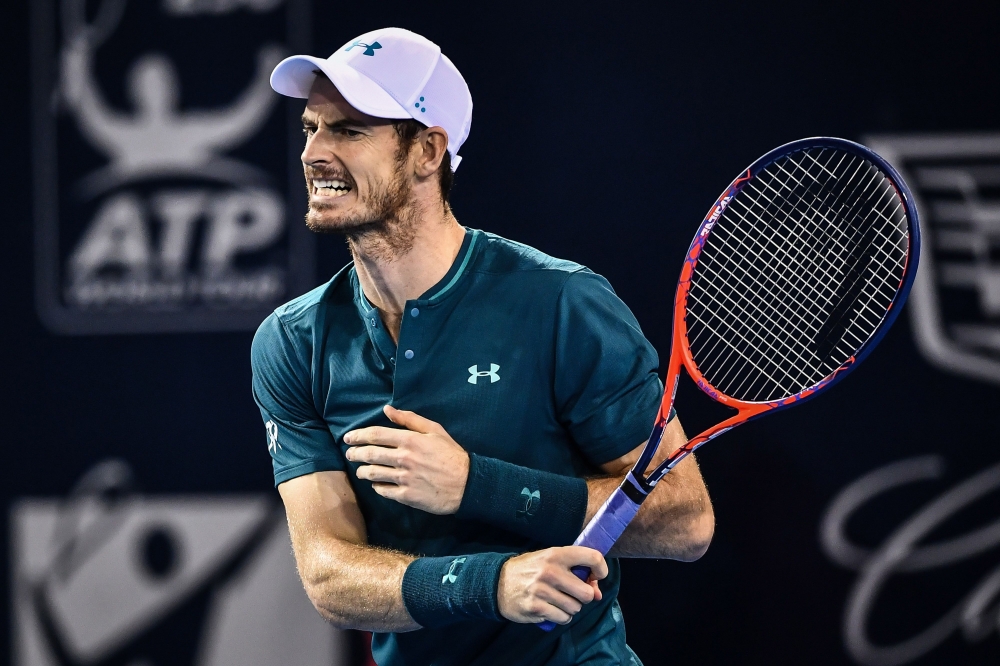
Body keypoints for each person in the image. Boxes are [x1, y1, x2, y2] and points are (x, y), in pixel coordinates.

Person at [252, 27, 714, 666]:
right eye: (311, 128)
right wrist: (493, 584)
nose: (315, 152)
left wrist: (477, 484)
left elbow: (686, 520)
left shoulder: (562, 304)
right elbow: (331, 575)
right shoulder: (292, 341)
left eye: (350, 131)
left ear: (427, 152)